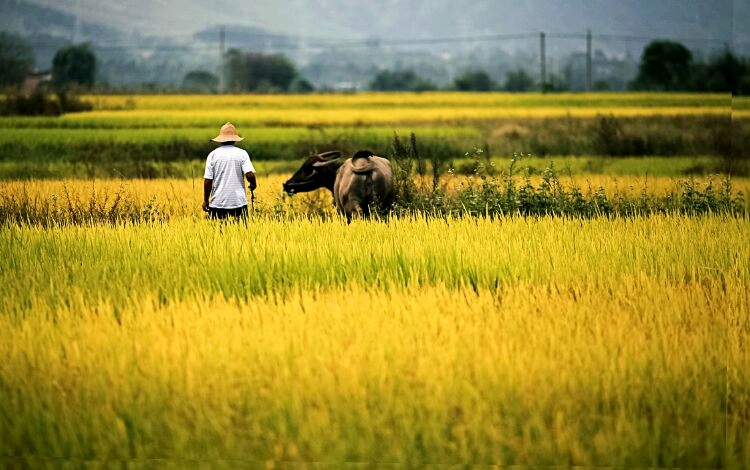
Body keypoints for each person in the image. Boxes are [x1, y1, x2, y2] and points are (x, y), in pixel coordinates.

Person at [202, 122, 257, 220]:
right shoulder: (242, 154)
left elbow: (208, 181)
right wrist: (253, 184)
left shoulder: (212, 155)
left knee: (216, 234)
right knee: (242, 233)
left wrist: (206, 200)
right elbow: (250, 175)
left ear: (220, 140)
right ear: (235, 140)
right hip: (239, 203)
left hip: (217, 204)